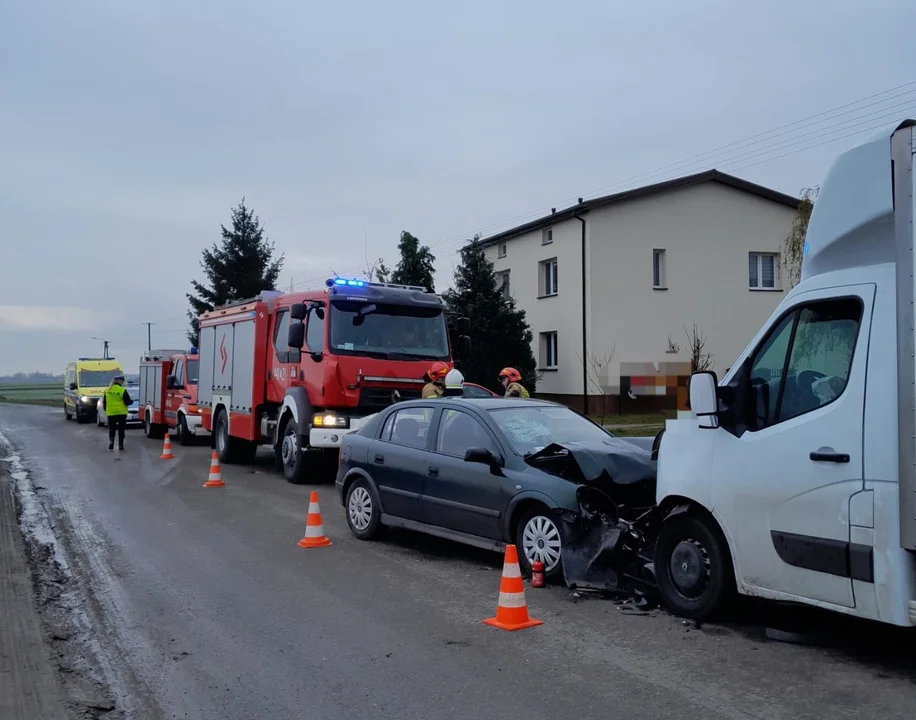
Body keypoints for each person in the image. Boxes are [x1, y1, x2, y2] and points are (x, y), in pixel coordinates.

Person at [103, 374, 132, 451]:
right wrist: (132, 402)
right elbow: (128, 402)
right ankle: (120, 445)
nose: (123, 383)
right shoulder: (122, 390)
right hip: (121, 413)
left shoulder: (107, 390)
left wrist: (107, 410)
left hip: (111, 413)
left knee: (112, 429)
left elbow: (104, 403)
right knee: (121, 429)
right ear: (119, 381)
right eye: (122, 381)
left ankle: (111, 442)